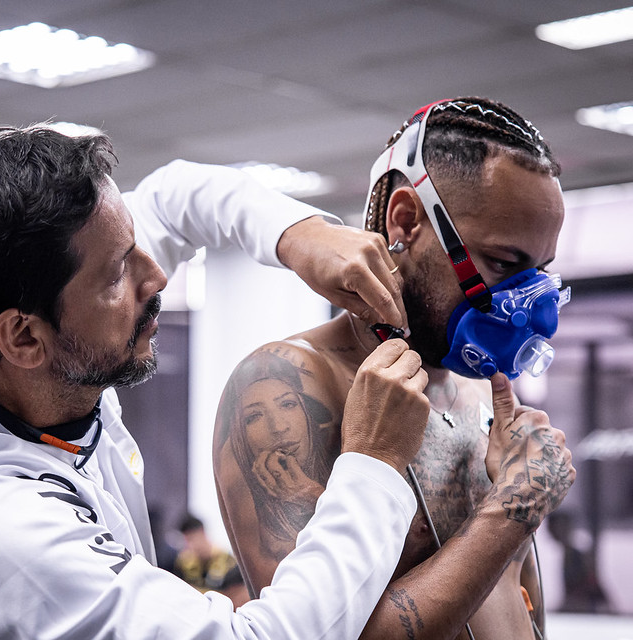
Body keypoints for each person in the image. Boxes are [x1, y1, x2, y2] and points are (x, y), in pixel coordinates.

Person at [0, 124, 432, 639]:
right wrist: (373, 464)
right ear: (23, 339)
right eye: (117, 272)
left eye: (134, 242)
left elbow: (175, 197)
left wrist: (299, 235)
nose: (157, 274)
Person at [214, 97, 576, 640]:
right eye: (503, 263)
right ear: (406, 219)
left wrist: (519, 513)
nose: (528, 306)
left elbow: (515, 601)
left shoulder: (481, 396)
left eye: (539, 271)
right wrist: (514, 508)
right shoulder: (284, 383)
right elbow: (315, 634)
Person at [174, 514, 239, 597]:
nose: (190, 546)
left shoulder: (228, 561)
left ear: (202, 532)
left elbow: (233, 595)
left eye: (192, 539)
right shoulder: (183, 564)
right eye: (186, 541)